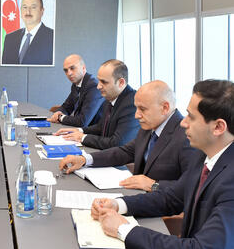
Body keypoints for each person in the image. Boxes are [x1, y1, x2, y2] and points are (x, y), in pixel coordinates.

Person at [91, 80, 234, 249]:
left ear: (218, 127)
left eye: (191, 117)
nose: (183, 122)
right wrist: (118, 204)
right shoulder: (206, 155)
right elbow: (171, 198)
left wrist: (124, 229)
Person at [59, 80, 194, 191]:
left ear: (165, 108)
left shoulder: (187, 137)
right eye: (136, 108)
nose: (136, 115)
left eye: (142, 109)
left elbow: (191, 187)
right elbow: (126, 152)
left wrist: (154, 185)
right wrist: (85, 159)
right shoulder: (151, 125)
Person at [54, 59, 139, 149]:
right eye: (99, 81)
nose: (98, 86)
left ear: (121, 83)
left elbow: (117, 143)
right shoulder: (111, 96)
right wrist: (79, 130)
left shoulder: (132, 104)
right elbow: (101, 127)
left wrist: (82, 137)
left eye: (104, 82)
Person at [47, 54, 104, 127]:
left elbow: (82, 121)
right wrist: (58, 113)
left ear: (83, 68)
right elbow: (66, 107)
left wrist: (60, 117)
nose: (69, 73)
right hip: (79, 130)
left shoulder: (93, 86)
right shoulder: (76, 84)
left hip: (93, 132)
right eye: (66, 70)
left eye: (72, 68)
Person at [1, 0, 54, 65]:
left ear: (42, 11)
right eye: (25, 7)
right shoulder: (10, 38)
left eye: (33, 7)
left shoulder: (52, 37)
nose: (28, 12)